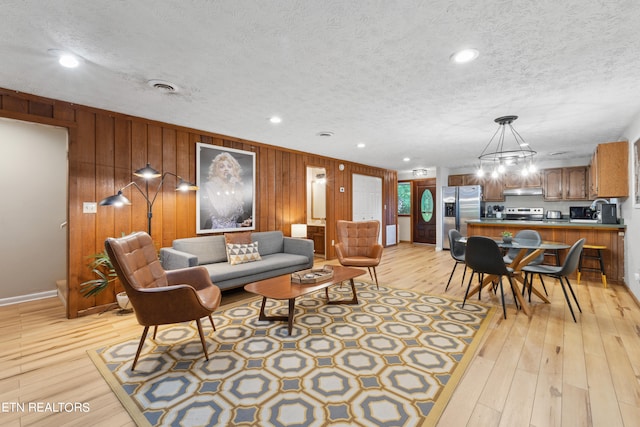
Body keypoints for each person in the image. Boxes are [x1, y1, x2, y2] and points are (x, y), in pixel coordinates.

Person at [202, 152, 252, 230]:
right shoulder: (211, 186)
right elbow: (224, 213)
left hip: (233, 230)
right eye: (222, 166)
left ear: (233, 170)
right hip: (217, 230)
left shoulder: (235, 186)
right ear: (216, 170)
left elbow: (236, 215)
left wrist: (241, 225)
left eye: (229, 166)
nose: (226, 169)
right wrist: (231, 188)